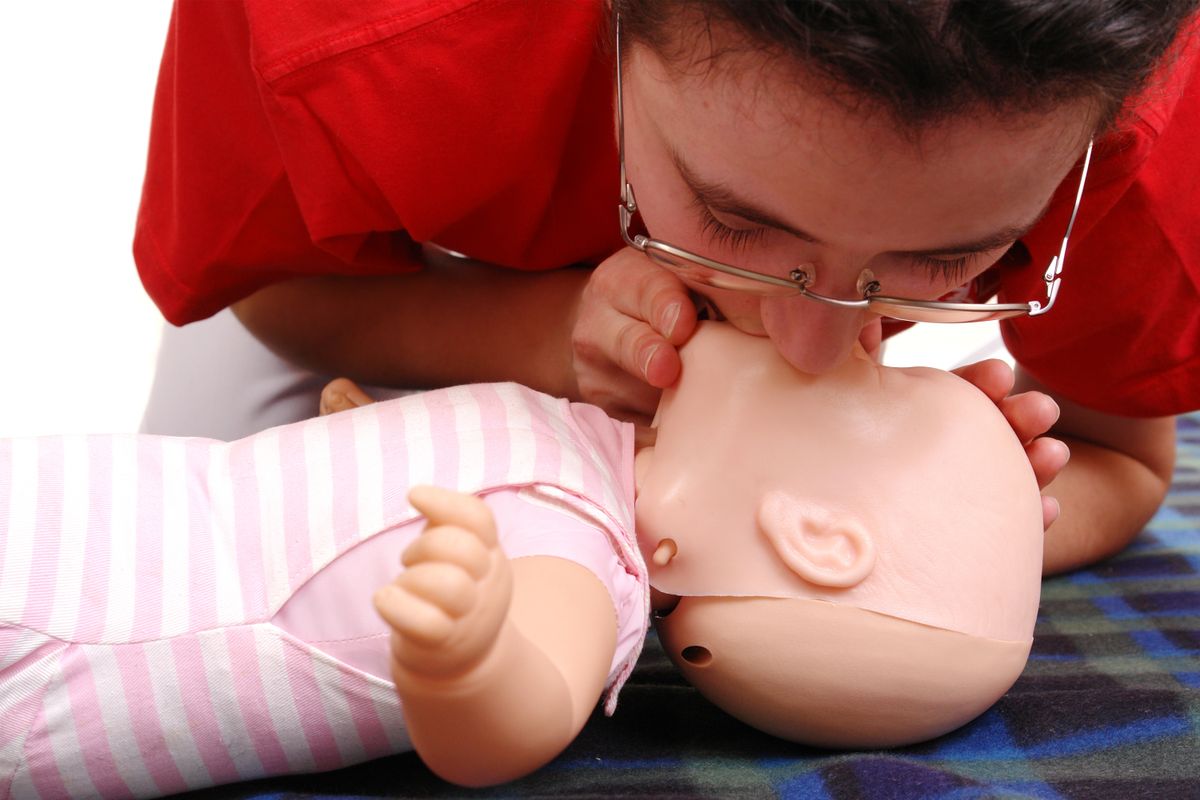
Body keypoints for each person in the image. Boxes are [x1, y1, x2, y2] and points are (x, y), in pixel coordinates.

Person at [133, 1, 1200, 575]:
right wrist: (546, 335)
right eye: (736, 218)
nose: (810, 346)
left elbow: (1127, 458)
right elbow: (271, 291)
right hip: (396, 280)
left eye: (943, 258)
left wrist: (961, 516)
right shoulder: (339, 32)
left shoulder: (1146, 152)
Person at [2, 323, 1043, 794]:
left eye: (893, 380)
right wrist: (361, 444)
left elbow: (518, 716)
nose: (863, 332)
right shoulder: (591, 443)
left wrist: (471, 653)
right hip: (75, 505)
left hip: (53, 632)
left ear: (815, 535)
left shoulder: (582, 565)